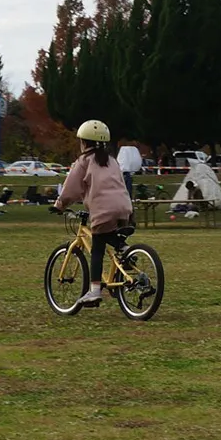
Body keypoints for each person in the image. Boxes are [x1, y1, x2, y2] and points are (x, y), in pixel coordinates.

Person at [54, 119, 134, 306]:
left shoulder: (84, 161)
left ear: (84, 142)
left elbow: (71, 188)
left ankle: (95, 291)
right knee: (110, 236)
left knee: (97, 248)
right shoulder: (112, 160)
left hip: (104, 210)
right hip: (124, 207)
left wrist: (60, 205)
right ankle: (126, 250)